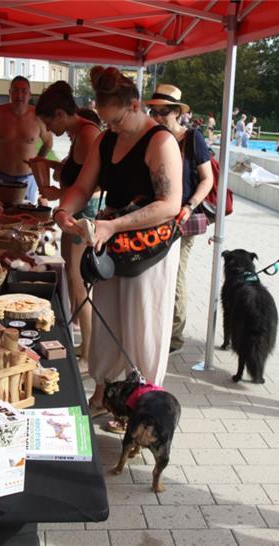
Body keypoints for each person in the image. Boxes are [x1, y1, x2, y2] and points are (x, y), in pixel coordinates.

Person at [52, 66, 182, 428]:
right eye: (107, 122)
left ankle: (143, 409)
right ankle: (105, 391)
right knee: (108, 316)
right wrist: (64, 208)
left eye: (117, 121)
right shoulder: (106, 140)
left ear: (136, 106)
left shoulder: (160, 141)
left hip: (148, 250)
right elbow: (83, 185)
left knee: (142, 324)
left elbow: (170, 204)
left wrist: (113, 224)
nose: (111, 129)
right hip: (112, 244)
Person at [34, 81, 102, 375]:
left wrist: (60, 195)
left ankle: (90, 353)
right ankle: (85, 345)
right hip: (74, 214)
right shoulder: (79, 133)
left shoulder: (87, 134)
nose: (48, 128)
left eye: (49, 121)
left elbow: (91, 185)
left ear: (61, 114)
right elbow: (74, 173)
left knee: (79, 283)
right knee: (76, 282)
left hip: (83, 217)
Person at [144, 84, 214, 354]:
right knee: (153, 273)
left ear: (177, 112)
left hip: (182, 219)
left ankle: (174, 336)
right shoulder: (152, 137)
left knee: (175, 275)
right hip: (154, 218)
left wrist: (190, 205)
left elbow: (207, 179)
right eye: (154, 111)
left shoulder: (192, 138)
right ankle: (156, 326)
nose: (158, 116)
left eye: (164, 112)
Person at [0, 76, 53, 203]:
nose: (19, 95)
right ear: (9, 93)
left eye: (24, 91)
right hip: (1, 176)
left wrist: (37, 161)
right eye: (15, 90)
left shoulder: (38, 116)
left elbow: (48, 143)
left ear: (29, 94)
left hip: (28, 177)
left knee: (27, 218)